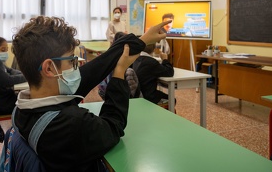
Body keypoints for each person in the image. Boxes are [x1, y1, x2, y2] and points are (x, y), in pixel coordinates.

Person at [10, 15, 168, 171]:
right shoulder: (72, 123)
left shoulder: (21, 109)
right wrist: (119, 72)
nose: (76, 66)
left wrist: (141, 41)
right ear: (49, 68)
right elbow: (113, 126)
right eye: (71, 61)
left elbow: (92, 71)